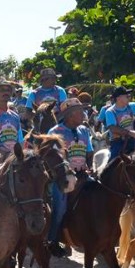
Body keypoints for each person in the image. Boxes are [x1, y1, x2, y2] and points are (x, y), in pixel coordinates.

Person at [46, 98, 94, 256]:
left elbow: (89, 152)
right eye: (79, 112)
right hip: (62, 178)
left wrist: (90, 166)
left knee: (101, 193)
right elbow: (51, 156)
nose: (83, 114)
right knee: (59, 209)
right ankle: (51, 240)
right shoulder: (55, 132)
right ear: (69, 115)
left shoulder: (84, 130)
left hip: (82, 174)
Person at [0, 78, 25, 155]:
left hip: (14, 158)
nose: (6, 92)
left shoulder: (15, 116)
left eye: (8, 90)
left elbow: (20, 141)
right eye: (2, 90)